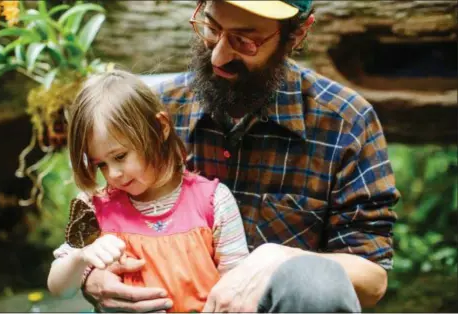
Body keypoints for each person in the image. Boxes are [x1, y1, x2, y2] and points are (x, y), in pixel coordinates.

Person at [55, 0, 401, 312]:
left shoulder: (345, 122)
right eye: (212, 28)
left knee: (315, 283)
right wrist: (91, 276)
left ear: (296, 34)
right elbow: (90, 238)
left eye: (244, 40)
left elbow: (373, 280)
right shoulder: (154, 114)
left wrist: (276, 259)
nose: (219, 56)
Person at [47, 70, 249, 313]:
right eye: (100, 164)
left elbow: (238, 289)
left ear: (160, 127)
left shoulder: (214, 202)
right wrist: (81, 256)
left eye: (120, 156)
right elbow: (59, 288)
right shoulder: (95, 208)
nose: (113, 174)